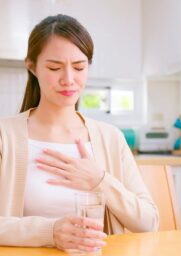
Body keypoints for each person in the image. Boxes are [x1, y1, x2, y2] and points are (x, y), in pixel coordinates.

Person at [0, 14, 159, 252]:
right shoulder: (5, 136)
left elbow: (149, 222)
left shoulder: (110, 138)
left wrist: (100, 180)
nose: (69, 79)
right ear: (31, 67)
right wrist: (51, 232)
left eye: (79, 67)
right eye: (54, 67)